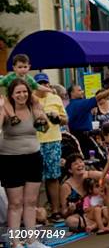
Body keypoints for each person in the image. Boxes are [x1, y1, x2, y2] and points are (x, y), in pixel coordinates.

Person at [0, 80, 50, 248]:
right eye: (18, 93)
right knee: (15, 204)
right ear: (12, 95)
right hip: (11, 160)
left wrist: (43, 116)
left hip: (33, 158)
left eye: (24, 92)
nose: (22, 95)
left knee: (30, 202)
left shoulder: (33, 107)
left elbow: (44, 128)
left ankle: (32, 240)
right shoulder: (6, 110)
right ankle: (15, 242)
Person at [33, 73, 68, 223]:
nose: (45, 86)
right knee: (34, 179)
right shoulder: (30, 99)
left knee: (53, 177)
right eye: (41, 83)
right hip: (34, 142)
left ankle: (55, 210)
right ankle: (36, 213)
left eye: (46, 83)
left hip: (53, 141)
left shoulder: (55, 98)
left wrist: (58, 118)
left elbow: (65, 120)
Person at [65, 81, 109, 156]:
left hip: (75, 138)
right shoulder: (80, 104)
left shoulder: (69, 106)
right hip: (84, 138)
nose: (82, 92)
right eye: (79, 90)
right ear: (72, 93)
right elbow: (99, 97)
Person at [0, 54, 50, 127]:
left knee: (35, 100)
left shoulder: (29, 78)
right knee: (5, 101)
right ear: (14, 68)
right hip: (11, 97)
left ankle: (39, 118)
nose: (23, 69)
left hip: (27, 97)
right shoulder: (9, 77)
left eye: (25, 67)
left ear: (29, 67)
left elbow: (36, 86)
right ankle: (13, 117)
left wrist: (48, 89)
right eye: (20, 67)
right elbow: (1, 82)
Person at [60, 153, 103, 232]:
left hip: (98, 210)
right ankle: (102, 222)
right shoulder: (66, 186)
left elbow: (108, 177)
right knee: (70, 221)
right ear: (70, 170)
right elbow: (64, 212)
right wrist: (70, 210)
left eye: (81, 162)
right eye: (76, 164)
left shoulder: (90, 175)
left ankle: (96, 224)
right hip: (83, 216)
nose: (80, 165)